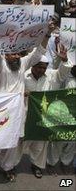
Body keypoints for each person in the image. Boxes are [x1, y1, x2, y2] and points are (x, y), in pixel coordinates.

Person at [0, 20, 56, 182]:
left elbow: (39, 52)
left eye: (17, 54)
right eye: (12, 54)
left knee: (13, 143)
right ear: (6, 55)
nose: (15, 56)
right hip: (1, 112)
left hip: (18, 112)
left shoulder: (22, 63)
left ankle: (7, 168)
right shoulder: (1, 64)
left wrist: (47, 33)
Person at [23, 44, 72, 178]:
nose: (41, 70)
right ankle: (10, 166)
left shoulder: (51, 75)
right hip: (25, 114)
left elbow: (62, 73)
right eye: (39, 67)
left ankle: (37, 166)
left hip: (43, 117)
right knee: (20, 143)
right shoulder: (24, 75)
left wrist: (63, 60)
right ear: (33, 65)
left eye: (44, 68)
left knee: (40, 145)